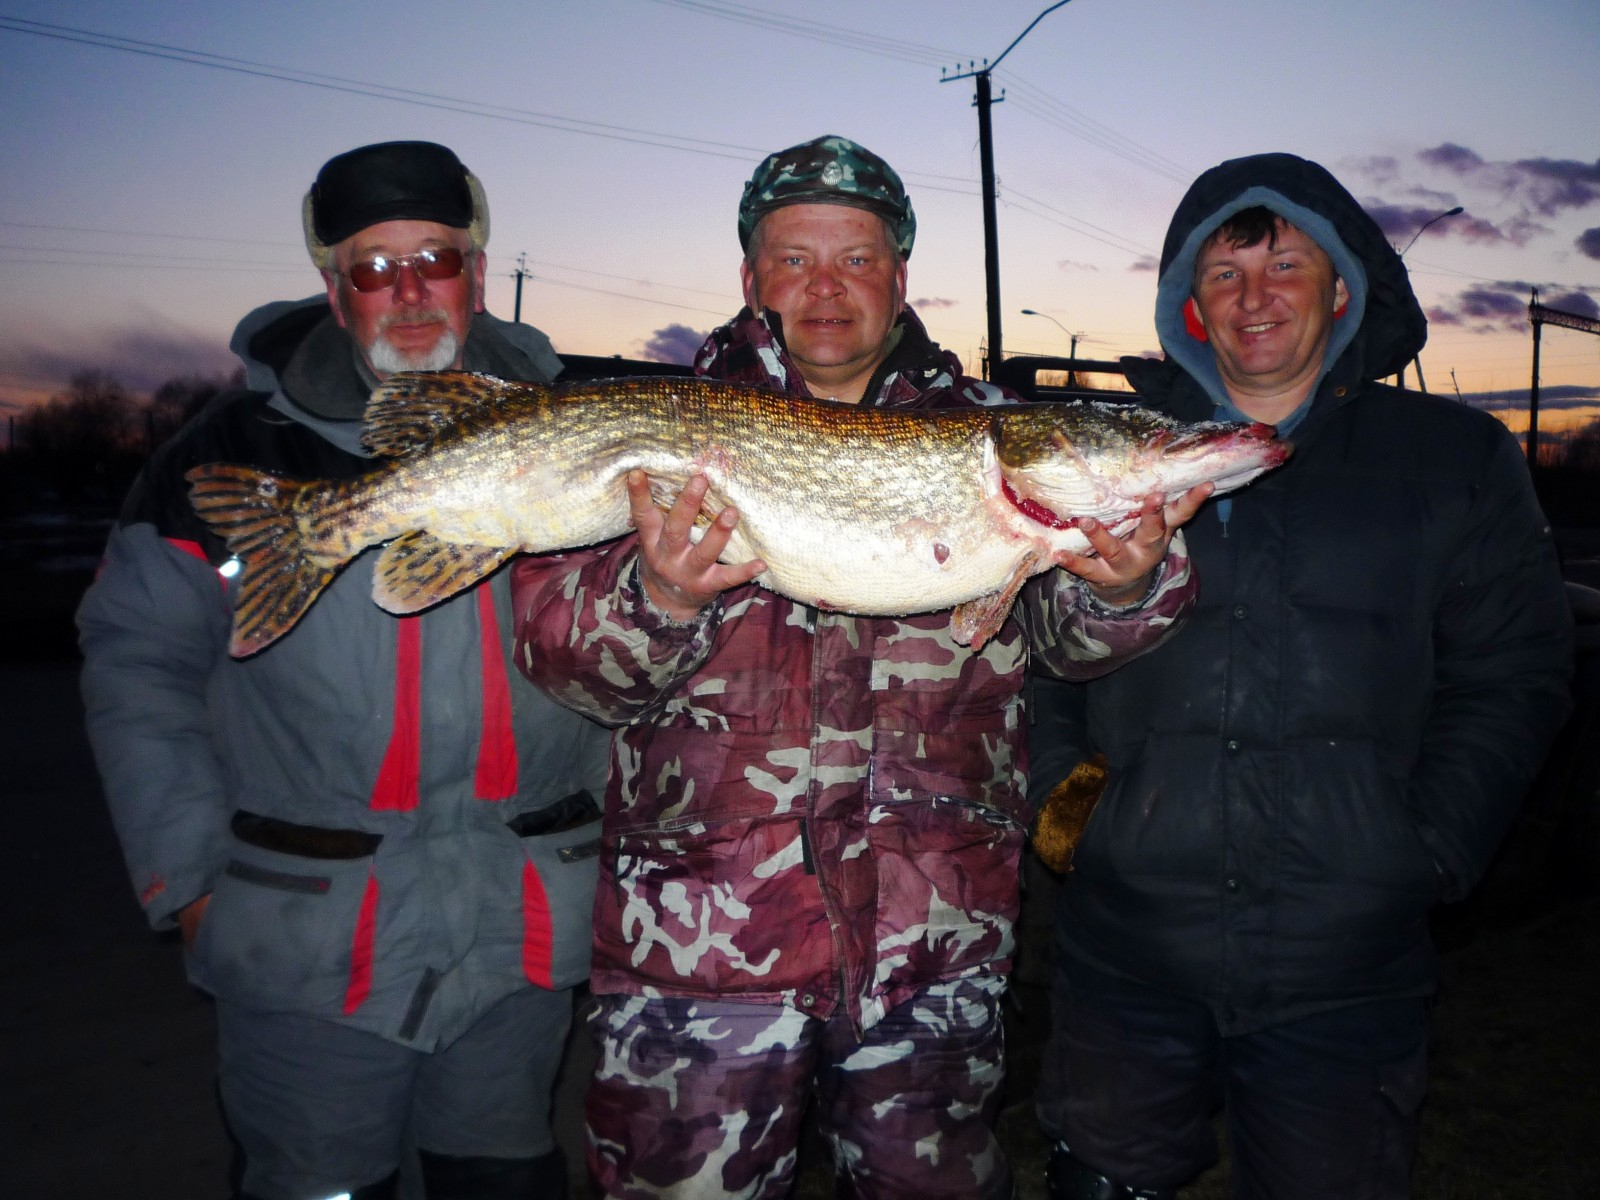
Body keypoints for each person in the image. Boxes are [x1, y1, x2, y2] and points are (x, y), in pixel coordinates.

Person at [511, 134, 1209, 1200]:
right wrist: (662, 598)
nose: (824, 288)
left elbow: (1071, 647)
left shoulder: (996, 439)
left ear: (899, 275)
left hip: (932, 960)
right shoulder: (659, 429)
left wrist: (1123, 583)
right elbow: (565, 667)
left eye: (856, 258)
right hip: (699, 964)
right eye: (793, 260)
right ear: (749, 279)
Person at [1030, 152, 1575, 1200]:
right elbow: (1034, 657)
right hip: (1127, 952)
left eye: (1286, 265)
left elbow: (1515, 673)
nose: (1255, 297)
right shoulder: (1100, 454)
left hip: (1346, 964)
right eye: (1225, 273)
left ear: (1342, 286)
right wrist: (1070, 811)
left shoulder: (1452, 460)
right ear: (1189, 304)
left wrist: (1424, 847)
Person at [77, 140, 611, 1200]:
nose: (410, 292)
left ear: (475, 264)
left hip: (523, 931)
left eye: (439, 259)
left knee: (501, 1180)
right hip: (306, 933)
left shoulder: (584, 428)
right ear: (332, 286)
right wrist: (185, 881)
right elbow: (137, 669)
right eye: (374, 268)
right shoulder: (224, 456)